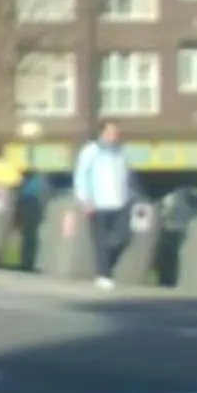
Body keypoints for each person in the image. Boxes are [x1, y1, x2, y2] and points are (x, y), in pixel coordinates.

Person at [72, 122, 137, 288]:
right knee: (100, 240)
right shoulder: (91, 151)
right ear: (102, 133)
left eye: (117, 132)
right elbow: (81, 175)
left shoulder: (121, 152)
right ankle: (103, 274)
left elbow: (126, 175)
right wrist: (85, 200)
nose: (114, 136)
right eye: (111, 132)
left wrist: (130, 195)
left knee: (124, 237)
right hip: (97, 202)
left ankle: (108, 264)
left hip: (120, 201)